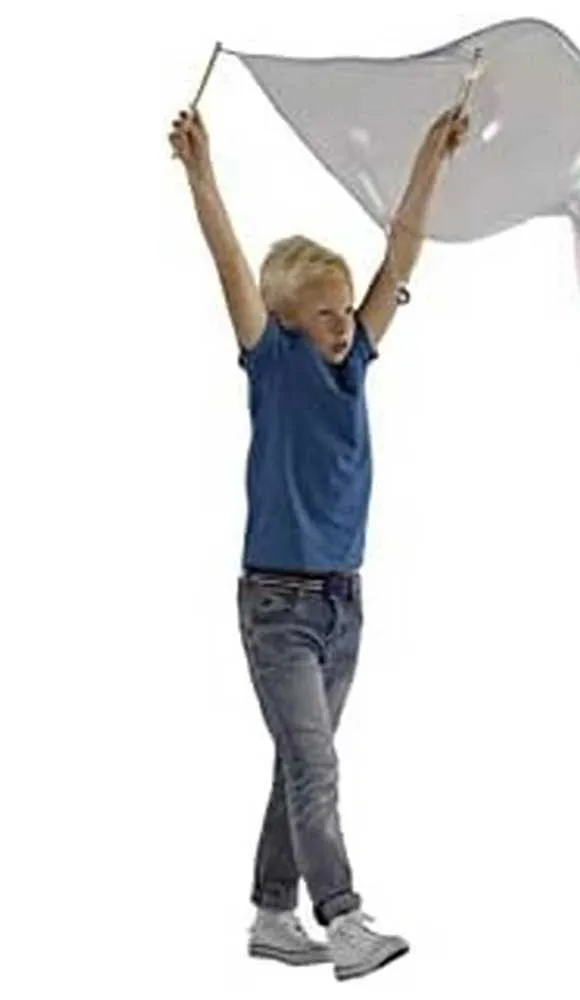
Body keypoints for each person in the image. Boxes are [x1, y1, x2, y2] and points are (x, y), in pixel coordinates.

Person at [169, 100, 468, 981]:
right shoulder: (274, 362)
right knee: (315, 766)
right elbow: (229, 261)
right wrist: (200, 173)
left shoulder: (357, 361)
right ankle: (342, 919)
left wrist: (430, 153)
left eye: (347, 309)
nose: (345, 323)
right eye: (327, 313)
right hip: (278, 606)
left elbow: (402, 249)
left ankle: (273, 915)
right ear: (289, 320)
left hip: (344, 601)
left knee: (301, 764)